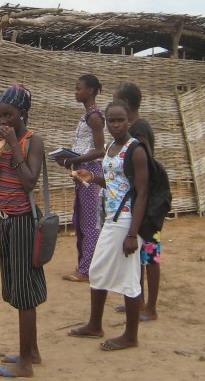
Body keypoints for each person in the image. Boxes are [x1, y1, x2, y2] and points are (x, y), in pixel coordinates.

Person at [68, 100, 149, 351]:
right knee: (98, 269)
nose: (115, 124)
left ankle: (131, 336)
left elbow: (142, 193)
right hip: (110, 219)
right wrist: (92, 178)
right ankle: (94, 325)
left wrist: (133, 234)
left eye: (119, 120)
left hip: (125, 222)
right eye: (111, 120)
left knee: (129, 278)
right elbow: (115, 184)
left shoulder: (135, 150)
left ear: (128, 121)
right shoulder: (113, 147)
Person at [0, 85, 46, 378]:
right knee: (14, 287)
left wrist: (13, 145)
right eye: (0, 116)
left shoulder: (32, 140)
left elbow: (29, 182)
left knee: (24, 293)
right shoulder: (4, 138)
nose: (3, 121)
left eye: (8, 115)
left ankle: (24, 364)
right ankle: (32, 352)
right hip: (7, 218)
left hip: (24, 220)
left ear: (23, 113)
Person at [112, 82, 160, 321]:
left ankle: (150, 307)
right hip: (144, 199)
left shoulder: (139, 130)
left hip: (148, 203)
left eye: (117, 101)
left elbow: (145, 166)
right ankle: (138, 301)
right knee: (141, 254)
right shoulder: (139, 127)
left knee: (150, 255)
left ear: (127, 105)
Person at [54, 74, 106, 282]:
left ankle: (86, 270)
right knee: (83, 220)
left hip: (90, 173)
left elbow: (100, 150)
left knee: (90, 223)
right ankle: (86, 266)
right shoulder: (87, 116)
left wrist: (74, 161)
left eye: (79, 89)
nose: (76, 92)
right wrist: (70, 159)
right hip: (83, 170)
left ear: (90, 91)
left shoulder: (94, 117)